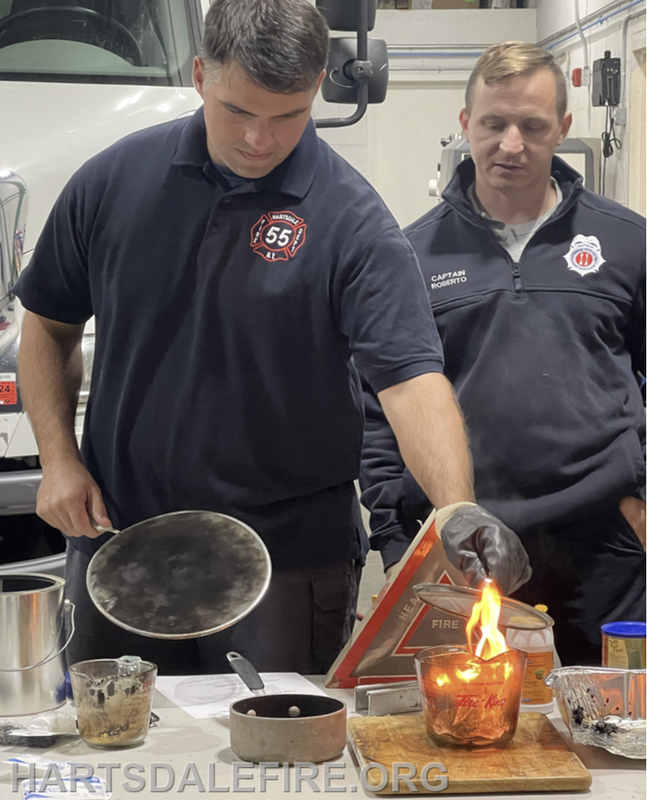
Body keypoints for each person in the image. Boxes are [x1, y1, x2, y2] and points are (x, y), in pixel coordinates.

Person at [13, 1, 529, 675]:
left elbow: (409, 381)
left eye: (288, 115)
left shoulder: (351, 221)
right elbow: (48, 326)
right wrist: (58, 460)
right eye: (238, 111)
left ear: (316, 86)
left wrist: (455, 507)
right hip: (122, 539)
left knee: (277, 739)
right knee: (114, 732)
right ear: (201, 75)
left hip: (286, 561)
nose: (260, 139)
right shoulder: (112, 182)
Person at [360, 41, 646, 667]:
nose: (510, 144)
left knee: (617, 713)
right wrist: (395, 540)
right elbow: (380, 411)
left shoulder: (628, 243)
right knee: (472, 713)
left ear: (563, 129)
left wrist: (641, 497)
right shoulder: (409, 255)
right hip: (465, 543)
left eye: (532, 126)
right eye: (493, 124)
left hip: (603, 544)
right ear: (466, 124)